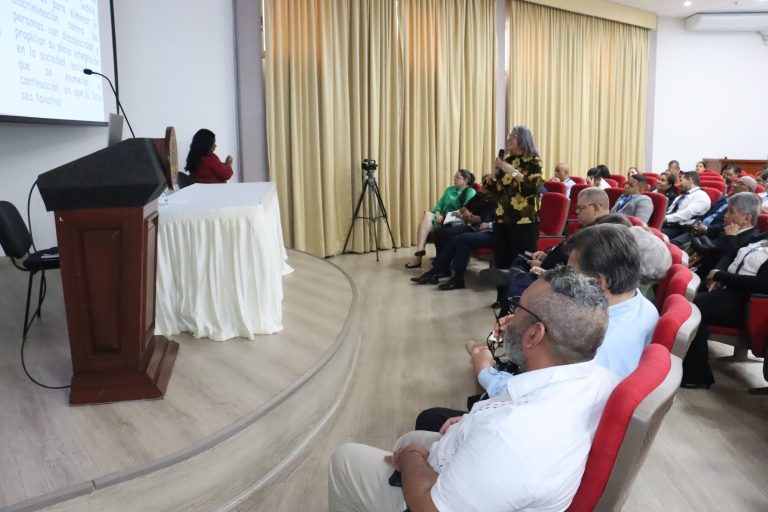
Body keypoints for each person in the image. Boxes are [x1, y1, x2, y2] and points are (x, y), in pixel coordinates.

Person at [329, 267, 618, 512]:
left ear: (534, 334)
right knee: (409, 438)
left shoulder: (510, 438)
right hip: (480, 467)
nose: (509, 318)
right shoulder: (604, 380)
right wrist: (473, 420)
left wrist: (411, 458)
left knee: (344, 459)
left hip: (442, 496)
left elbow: (431, 507)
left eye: (518, 308)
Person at [682, 231, 768, 389]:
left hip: (748, 302)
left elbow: (761, 284)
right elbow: (730, 256)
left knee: (695, 306)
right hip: (729, 287)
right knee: (685, 292)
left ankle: (697, 374)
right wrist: (717, 276)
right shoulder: (760, 237)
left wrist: (721, 277)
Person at [410, 175, 498, 290]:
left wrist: (465, 217)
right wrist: (465, 212)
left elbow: (481, 221)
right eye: (483, 184)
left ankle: (442, 273)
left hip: (481, 229)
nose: (482, 187)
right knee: (440, 232)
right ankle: (439, 271)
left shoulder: (494, 200)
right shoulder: (480, 195)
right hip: (472, 225)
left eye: (485, 185)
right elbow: (465, 207)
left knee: (460, 238)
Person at [487, 126, 544, 283]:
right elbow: (496, 190)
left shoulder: (534, 161)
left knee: (521, 264)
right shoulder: (508, 160)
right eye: (509, 136)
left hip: (524, 221)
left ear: (523, 140)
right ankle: (502, 295)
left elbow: (532, 188)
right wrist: (493, 176)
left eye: (513, 136)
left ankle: (521, 294)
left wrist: (513, 172)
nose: (509, 139)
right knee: (502, 263)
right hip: (502, 218)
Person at [405, 170, 476, 268]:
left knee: (423, 226)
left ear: (465, 180)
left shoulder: (470, 192)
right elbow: (439, 205)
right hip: (441, 218)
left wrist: (445, 217)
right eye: (454, 176)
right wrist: (438, 213)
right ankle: (420, 251)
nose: (454, 179)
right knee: (427, 215)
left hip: (455, 221)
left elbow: (465, 210)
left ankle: (419, 258)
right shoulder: (449, 190)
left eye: (457, 177)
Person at [662, 171, 712, 239]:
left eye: (681, 180)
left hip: (682, 229)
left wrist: (665, 218)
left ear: (689, 180)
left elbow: (687, 213)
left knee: (653, 234)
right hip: (669, 224)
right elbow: (669, 211)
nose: (679, 184)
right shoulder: (680, 196)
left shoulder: (702, 196)